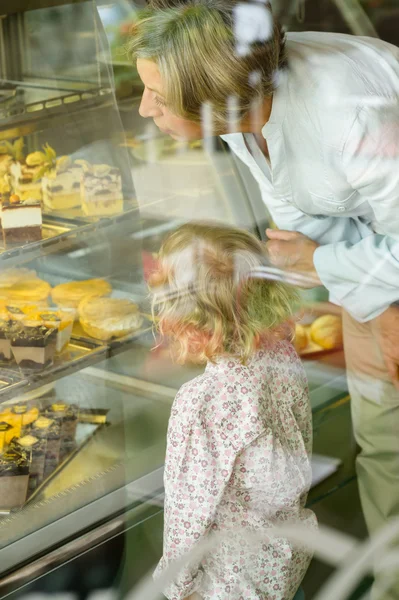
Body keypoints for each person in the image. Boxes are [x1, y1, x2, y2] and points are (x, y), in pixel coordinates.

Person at [129, 4, 399, 597]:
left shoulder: (350, 113)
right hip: (375, 269)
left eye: (155, 94)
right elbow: (305, 223)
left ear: (213, 100)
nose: (144, 108)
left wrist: (323, 268)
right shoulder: (243, 109)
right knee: (385, 449)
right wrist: (299, 285)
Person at [149, 222, 316, 600]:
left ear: (184, 322)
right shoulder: (281, 355)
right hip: (282, 558)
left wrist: (178, 587)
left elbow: (188, 517)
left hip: (228, 584)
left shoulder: (203, 402)